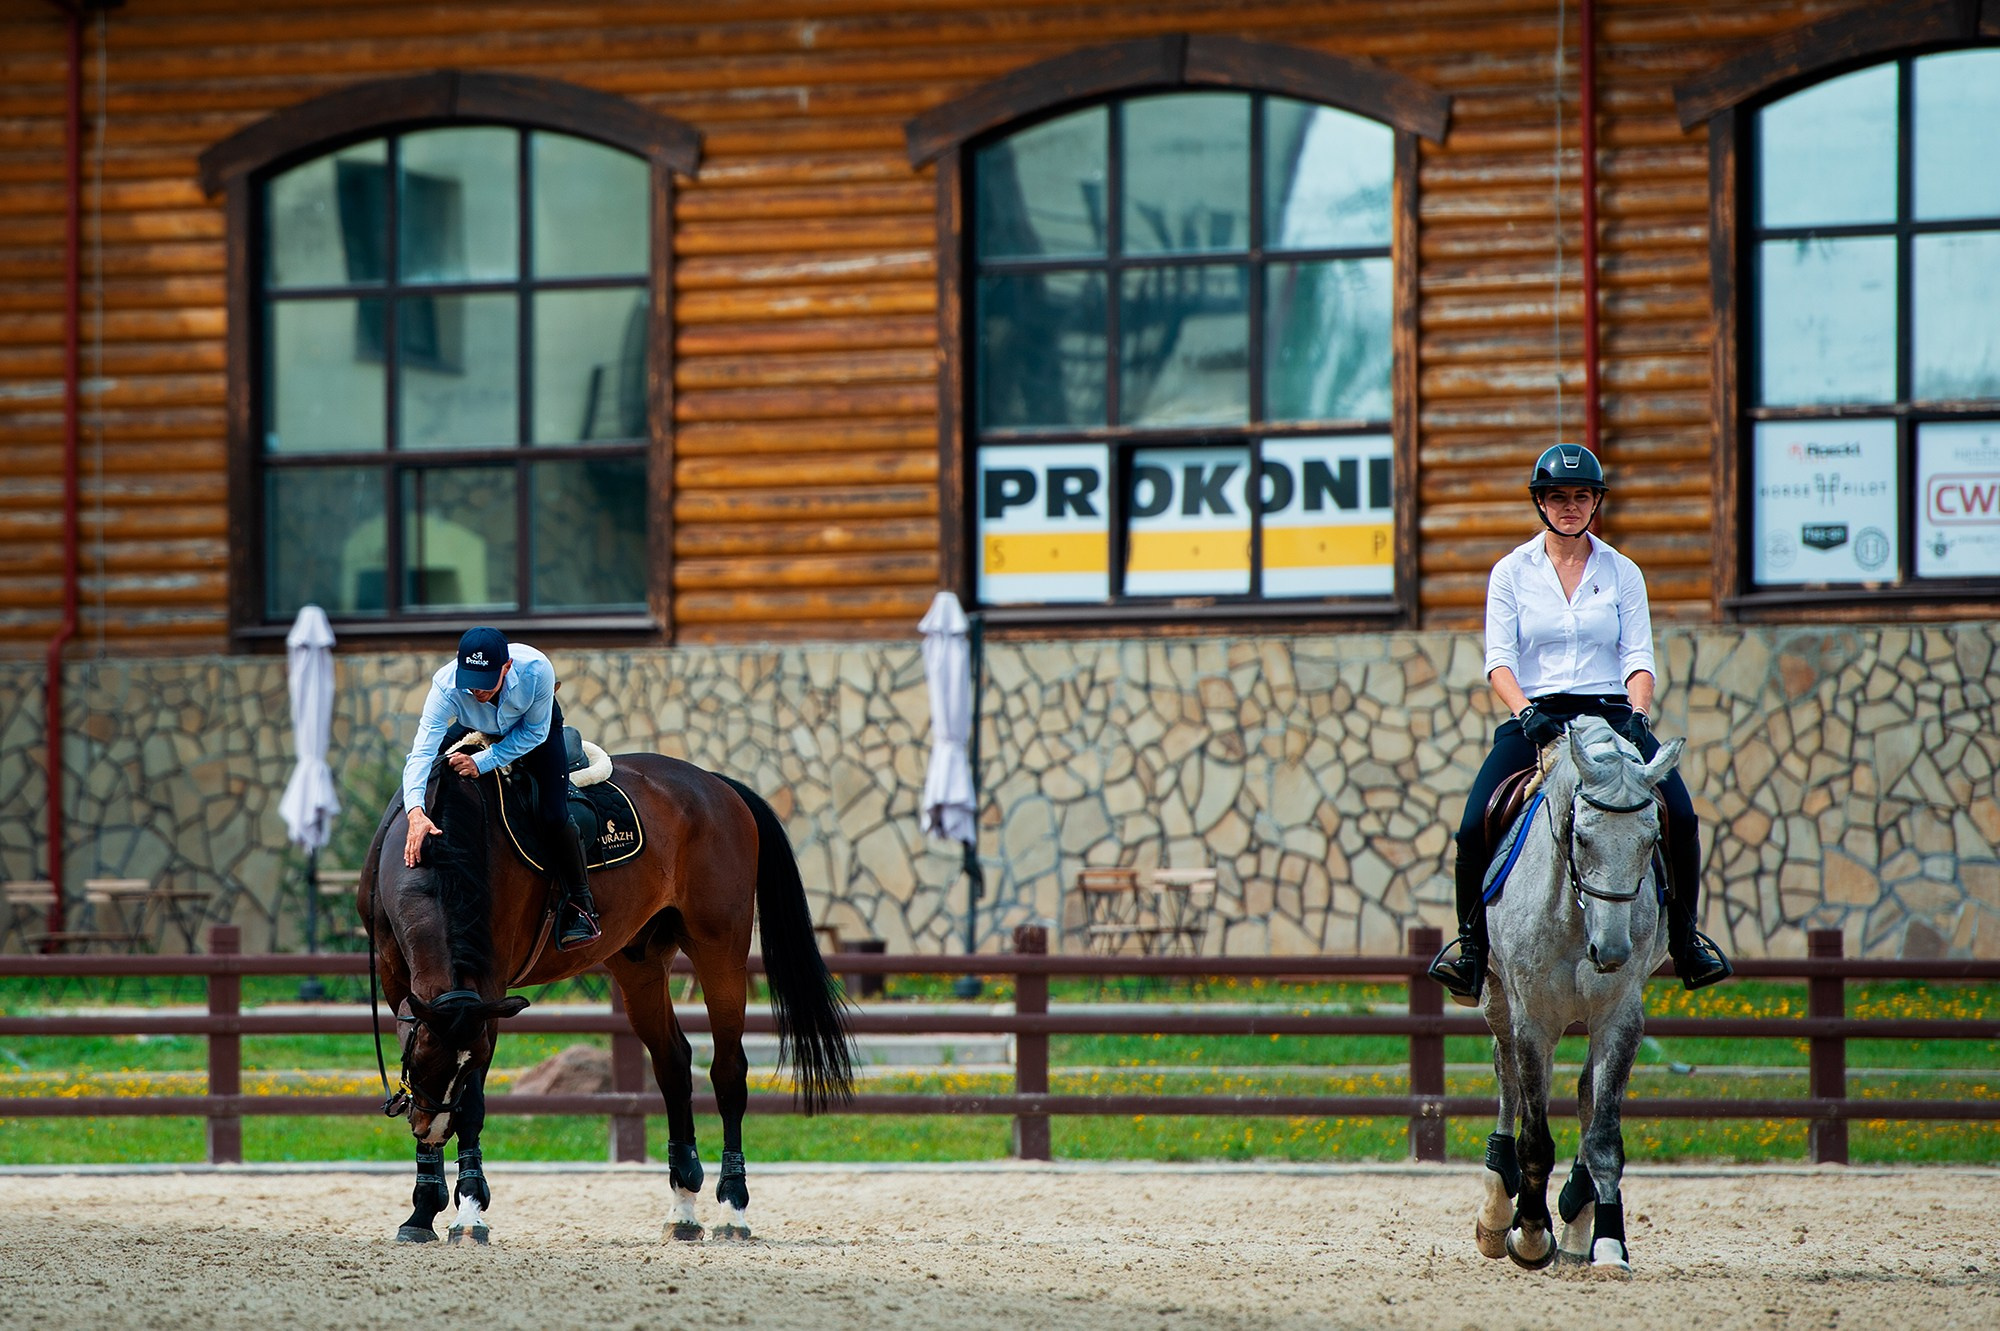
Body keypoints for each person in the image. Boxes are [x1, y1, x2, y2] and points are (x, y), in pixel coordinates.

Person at [1427, 443, 1731, 1002]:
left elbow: (1638, 657)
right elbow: (1499, 660)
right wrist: (1526, 714)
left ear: (1596, 503)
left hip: (1613, 714)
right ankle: (1472, 949)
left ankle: (1685, 940)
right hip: (1537, 715)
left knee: (1681, 816)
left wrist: (1638, 716)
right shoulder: (1510, 573)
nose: (1570, 506)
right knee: (1474, 825)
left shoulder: (1623, 572)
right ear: (1541, 503)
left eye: (1581, 496)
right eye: (1558, 496)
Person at [401, 627, 601, 951]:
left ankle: (582, 904)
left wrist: (481, 762)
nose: (477, 689)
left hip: (533, 728)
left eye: (486, 680)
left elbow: (534, 734)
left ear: (506, 667)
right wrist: (415, 810)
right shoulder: (446, 684)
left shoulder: (537, 669)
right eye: (471, 679)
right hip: (476, 723)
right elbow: (421, 751)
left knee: (553, 814)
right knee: (435, 773)